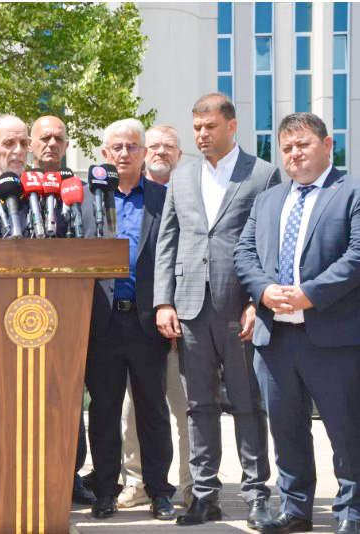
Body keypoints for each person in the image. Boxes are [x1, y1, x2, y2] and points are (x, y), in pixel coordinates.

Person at [154, 93, 279, 528]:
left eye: (210, 127)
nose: (202, 135)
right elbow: (168, 241)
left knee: (247, 404)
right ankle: (204, 497)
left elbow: (269, 243)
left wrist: (258, 302)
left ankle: (256, 495)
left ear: (232, 126)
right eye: (197, 128)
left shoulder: (262, 174)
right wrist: (163, 301)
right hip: (189, 308)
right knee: (199, 406)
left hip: (238, 308)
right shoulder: (182, 177)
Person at [235, 112, 360, 534]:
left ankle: (351, 512)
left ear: (328, 146)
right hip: (275, 337)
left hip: (333, 337)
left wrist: (311, 293)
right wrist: (263, 290)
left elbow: (357, 255)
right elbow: (244, 253)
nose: (294, 154)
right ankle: (295, 509)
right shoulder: (269, 199)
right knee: (286, 429)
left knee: (346, 430)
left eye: (303, 144)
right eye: (286, 147)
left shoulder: (352, 191)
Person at [83, 119, 176, 522]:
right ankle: (105, 491)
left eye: (132, 147)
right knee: (103, 412)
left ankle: (160, 491)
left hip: (146, 321)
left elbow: (175, 257)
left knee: (152, 410)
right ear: (105, 153)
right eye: (117, 147)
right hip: (100, 323)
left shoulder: (163, 198)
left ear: (144, 152)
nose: (124, 154)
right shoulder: (85, 199)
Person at [118, 124, 192, 509]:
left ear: (180, 155)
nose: (161, 151)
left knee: (184, 410)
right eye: (155, 146)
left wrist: (178, 309)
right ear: (146, 153)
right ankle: (136, 482)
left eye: (169, 146)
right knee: (132, 412)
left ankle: (191, 485)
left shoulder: (188, 197)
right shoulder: (127, 197)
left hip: (179, 324)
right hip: (135, 325)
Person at [28, 114, 95, 506]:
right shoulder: (14, 187)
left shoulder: (79, 190)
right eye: (44, 138)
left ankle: (71, 474)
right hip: (21, 308)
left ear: (67, 145)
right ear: (31, 144)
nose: (51, 144)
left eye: (58, 138)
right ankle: (29, 472)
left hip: (70, 307)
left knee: (69, 394)